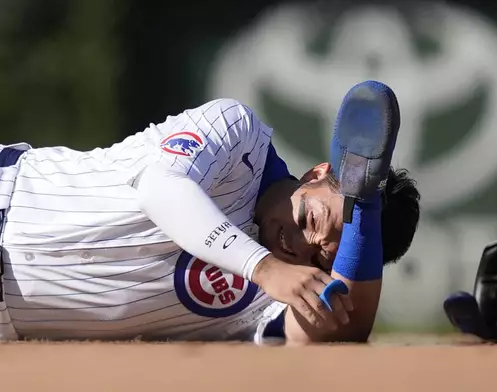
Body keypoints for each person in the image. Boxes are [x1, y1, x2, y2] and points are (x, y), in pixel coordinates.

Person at [0, 92, 420, 343]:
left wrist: (363, 214)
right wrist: (262, 266)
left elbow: (337, 334)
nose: (297, 246)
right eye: (311, 220)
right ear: (316, 174)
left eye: (319, 260)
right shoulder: (239, 136)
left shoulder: (276, 295)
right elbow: (158, 186)